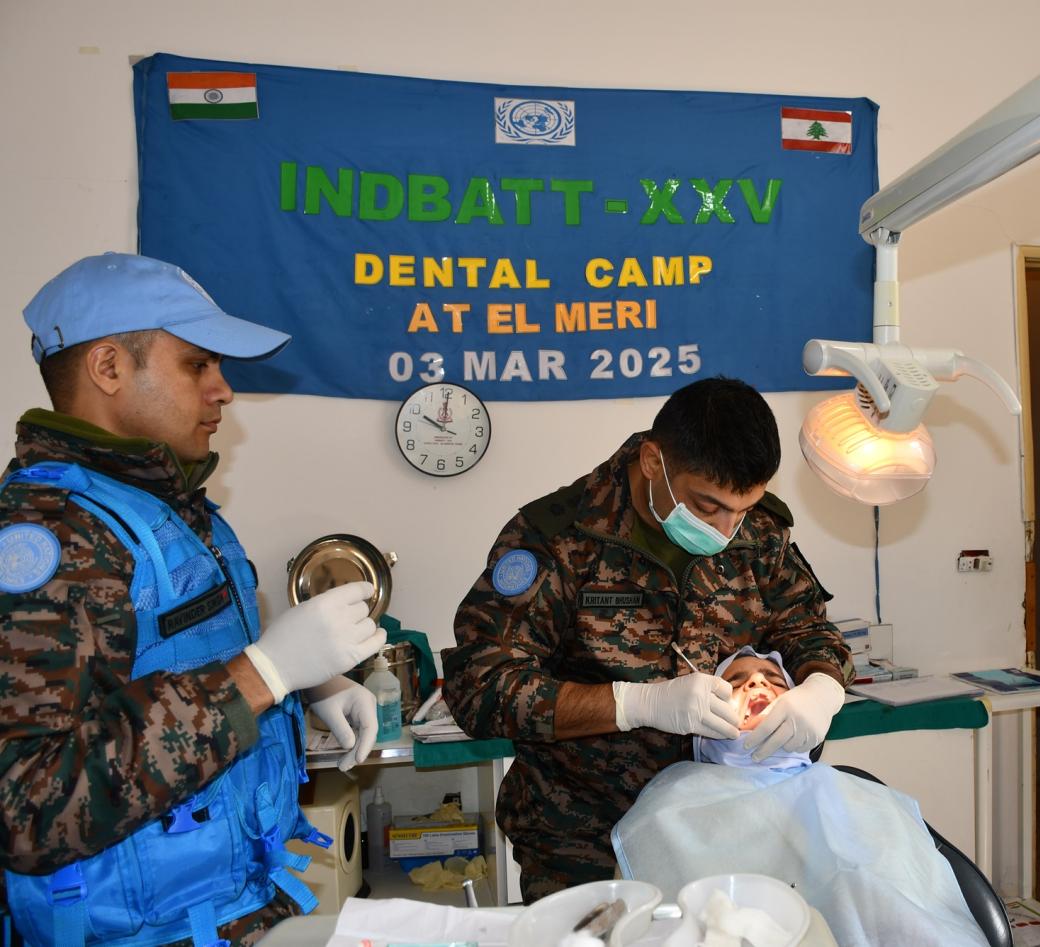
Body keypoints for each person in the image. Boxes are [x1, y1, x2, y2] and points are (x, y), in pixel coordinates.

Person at [0, 253, 388, 946]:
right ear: (109, 368)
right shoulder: (47, 539)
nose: (223, 390)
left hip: (231, 911)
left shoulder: (167, 506)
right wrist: (263, 675)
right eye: (197, 365)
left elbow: (168, 655)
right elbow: (26, 806)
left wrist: (307, 681)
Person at [442, 376, 853, 901]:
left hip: (734, 825)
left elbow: (808, 628)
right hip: (587, 841)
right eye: (709, 507)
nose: (729, 529)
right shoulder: (558, 538)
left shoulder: (760, 532)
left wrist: (822, 688)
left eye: (744, 508)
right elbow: (479, 686)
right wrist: (632, 704)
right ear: (655, 461)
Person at [611, 647, 991, 947]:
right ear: (701, 727)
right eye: (736, 681)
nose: (757, 684)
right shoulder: (671, 805)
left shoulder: (856, 795)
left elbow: (913, 915)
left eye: (775, 680)